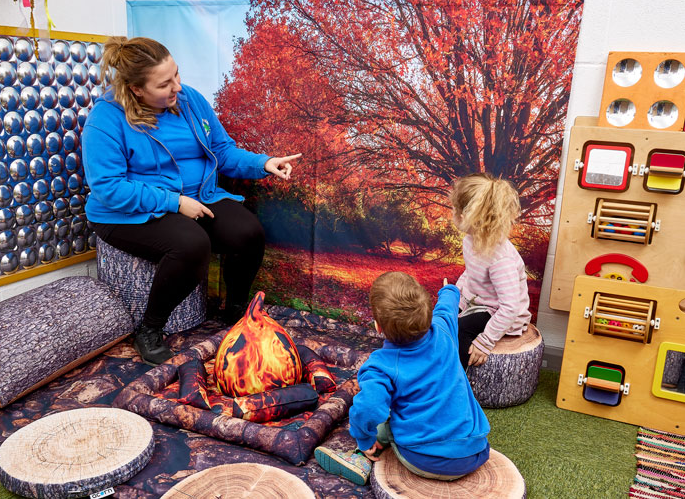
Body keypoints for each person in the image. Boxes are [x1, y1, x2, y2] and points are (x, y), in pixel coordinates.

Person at [81, 36, 301, 366]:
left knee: (248, 233)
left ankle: (236, 310)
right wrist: (174, 202)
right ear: (137, 90)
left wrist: (263, 163)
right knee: (191, 245)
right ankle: (149, 329)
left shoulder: (191, 101)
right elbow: (109, 188)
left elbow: (223, 151)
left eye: (176, 75)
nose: (176, 87)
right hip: (125, 213)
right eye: (164, 83)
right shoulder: (106, 120)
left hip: (197, 198)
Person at [314, 272, 490, 485]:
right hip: (476, 450)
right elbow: (448, 305)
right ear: (427, 310)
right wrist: (450, 290)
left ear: (378, 326)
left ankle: (360, 458)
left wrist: (364, 438)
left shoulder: (381, 366)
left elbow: (368, 407)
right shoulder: (444, 328)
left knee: (383, 423)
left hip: (424, 459)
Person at [449, 173, 531, 368]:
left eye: (453, 208)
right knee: (444, 320)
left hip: (503, 314)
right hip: (481, 303)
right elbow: (470, 273)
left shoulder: (500, 258)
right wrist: (456, 297)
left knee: (461, 330)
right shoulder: (469, 240)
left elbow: (510, 307)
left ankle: (456, 380)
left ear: (464, 216)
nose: (451, 212)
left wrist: (485, 341)